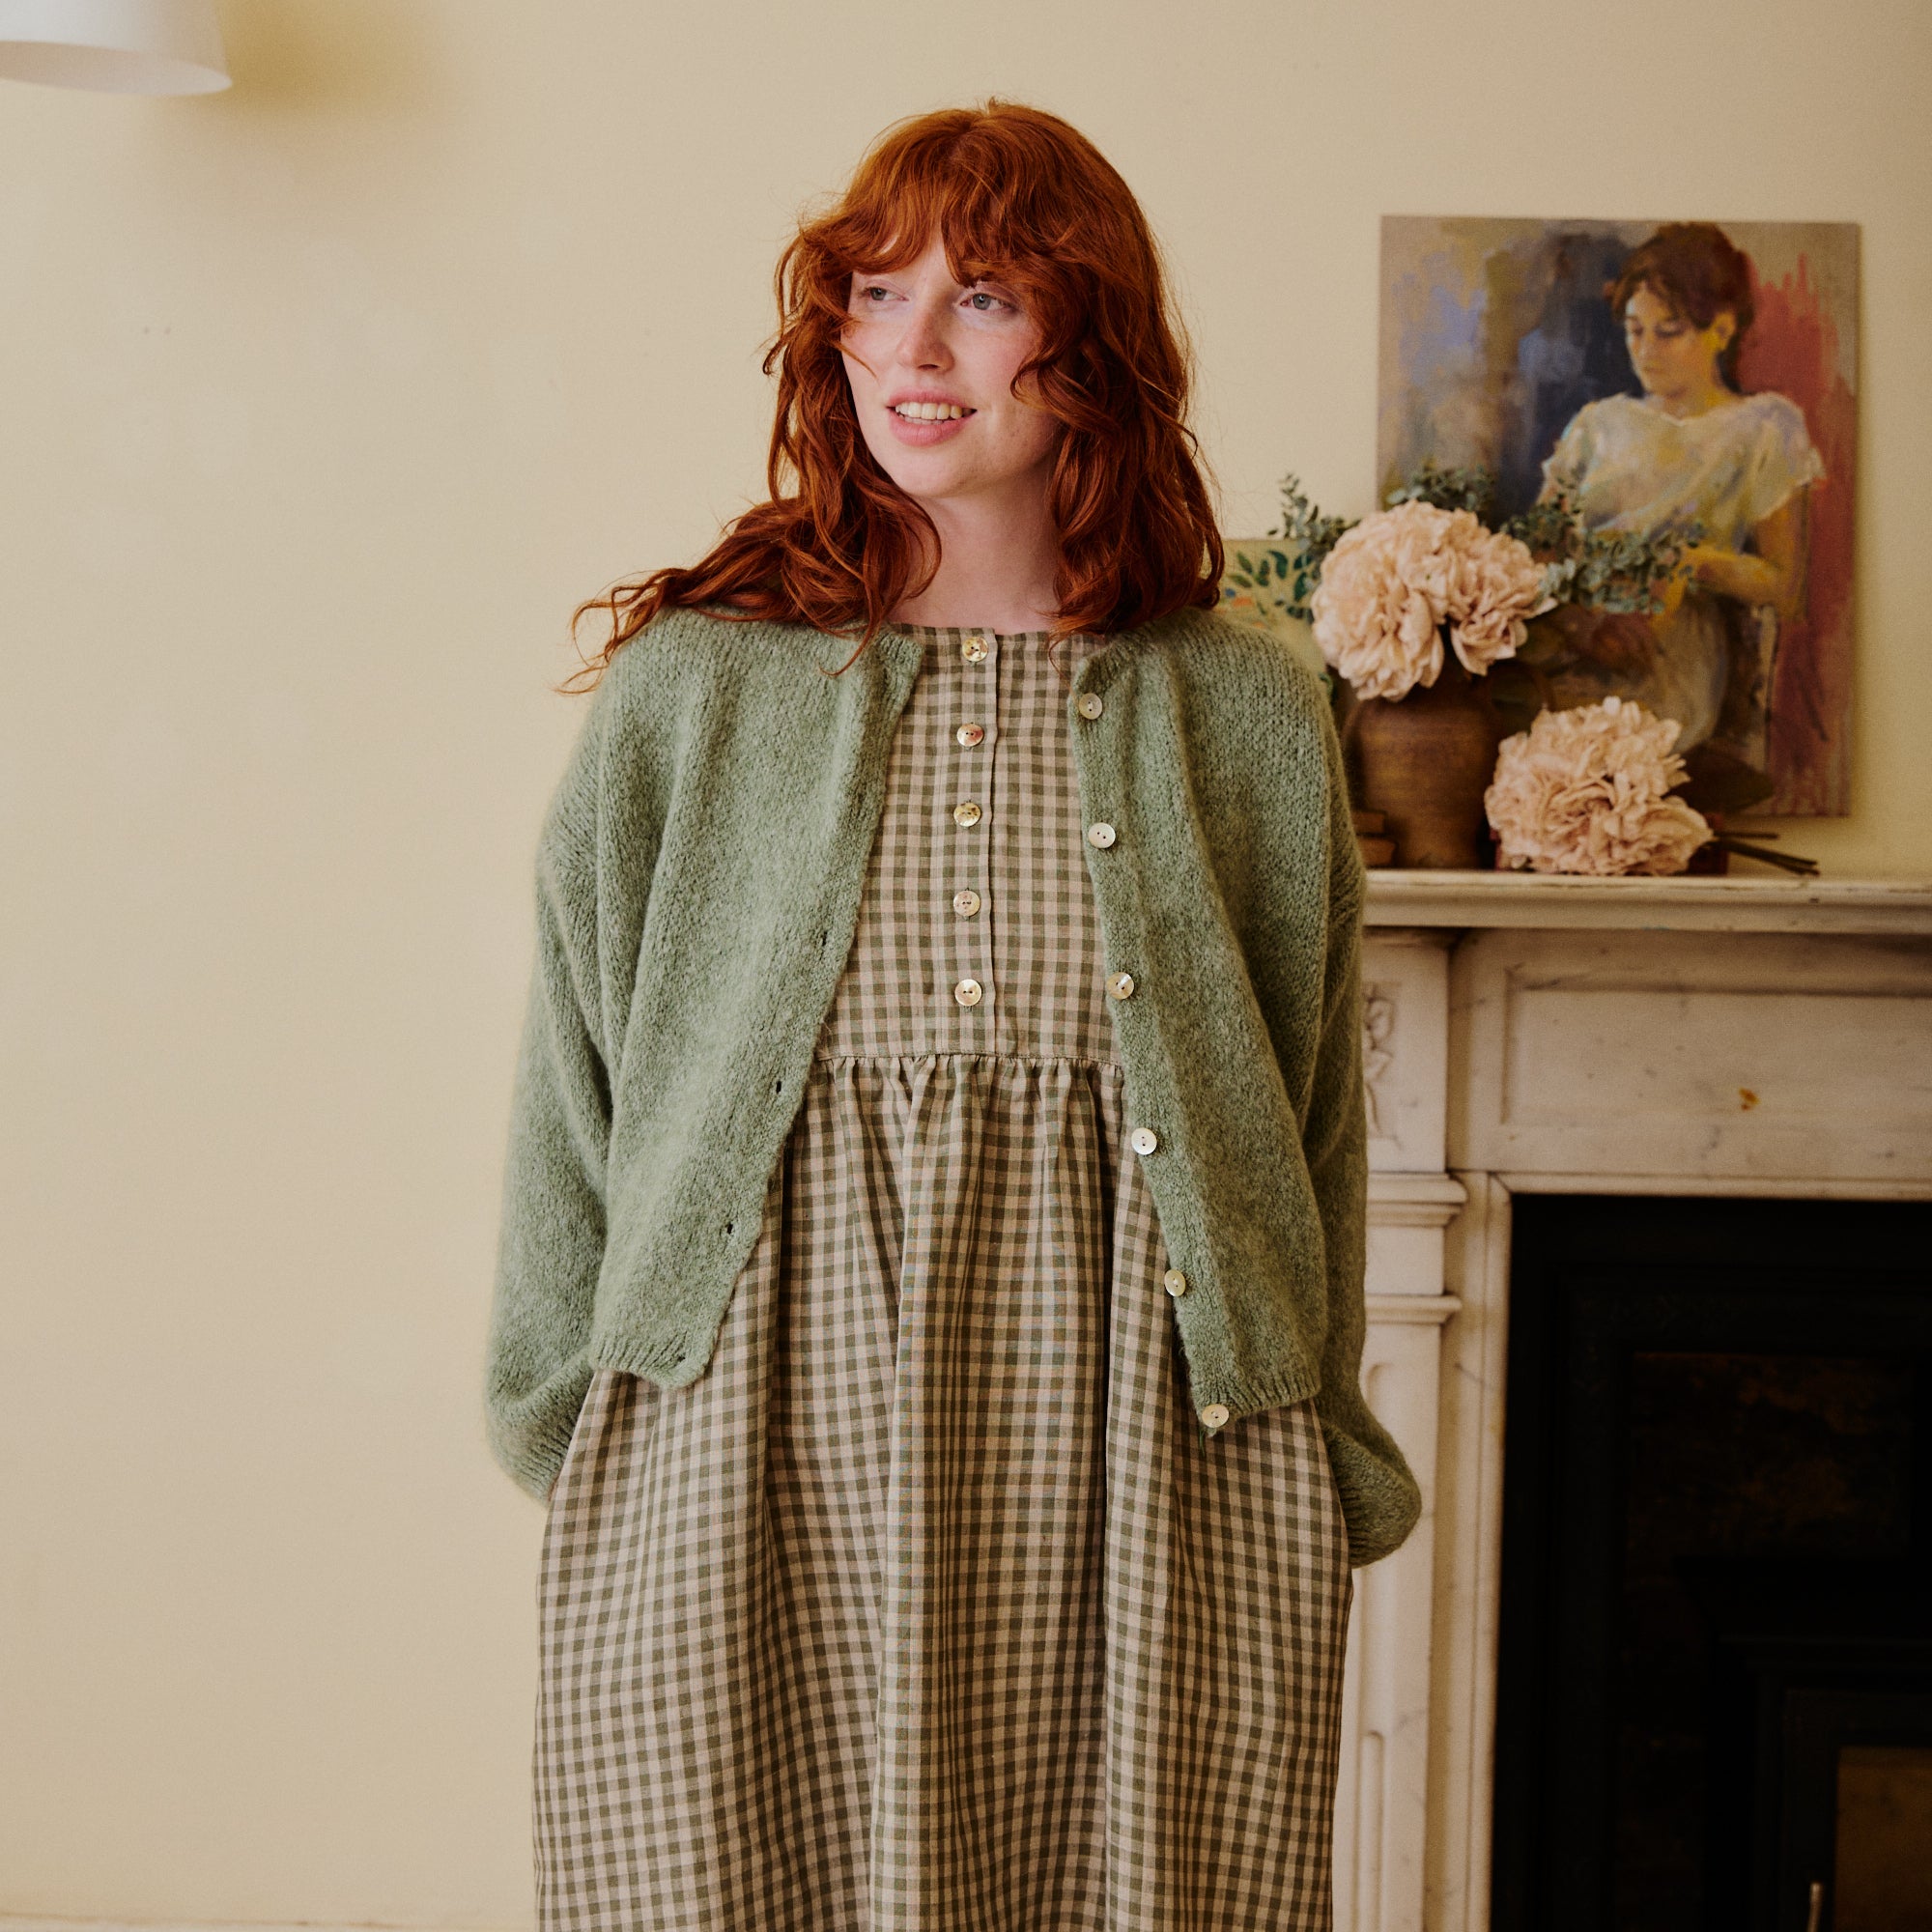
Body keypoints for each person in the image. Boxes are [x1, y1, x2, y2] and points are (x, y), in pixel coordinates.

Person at [484, 100, 1418, 1931]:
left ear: (1095, 343)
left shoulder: (1243, 699)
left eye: (981, 297)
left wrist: (1315, 1422)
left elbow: (1310, 1110)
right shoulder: (697, 691)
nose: (912, 348)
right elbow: (571, 1082)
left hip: (1151, 1461)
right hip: (749, 1443)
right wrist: (561, 1402)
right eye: (875, 293)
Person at [1527, 222, 1824, 806]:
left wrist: (1687, 562)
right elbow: (1538, 551)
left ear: (1722, 330)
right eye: (1634, 330)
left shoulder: (1763, 429)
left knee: (1604, 760)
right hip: (1570, 638)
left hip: (1670, 656)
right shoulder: (1598, 425)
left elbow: (1783, 583)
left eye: (1668, 332)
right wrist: (1584, 626)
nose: (1645, 350)